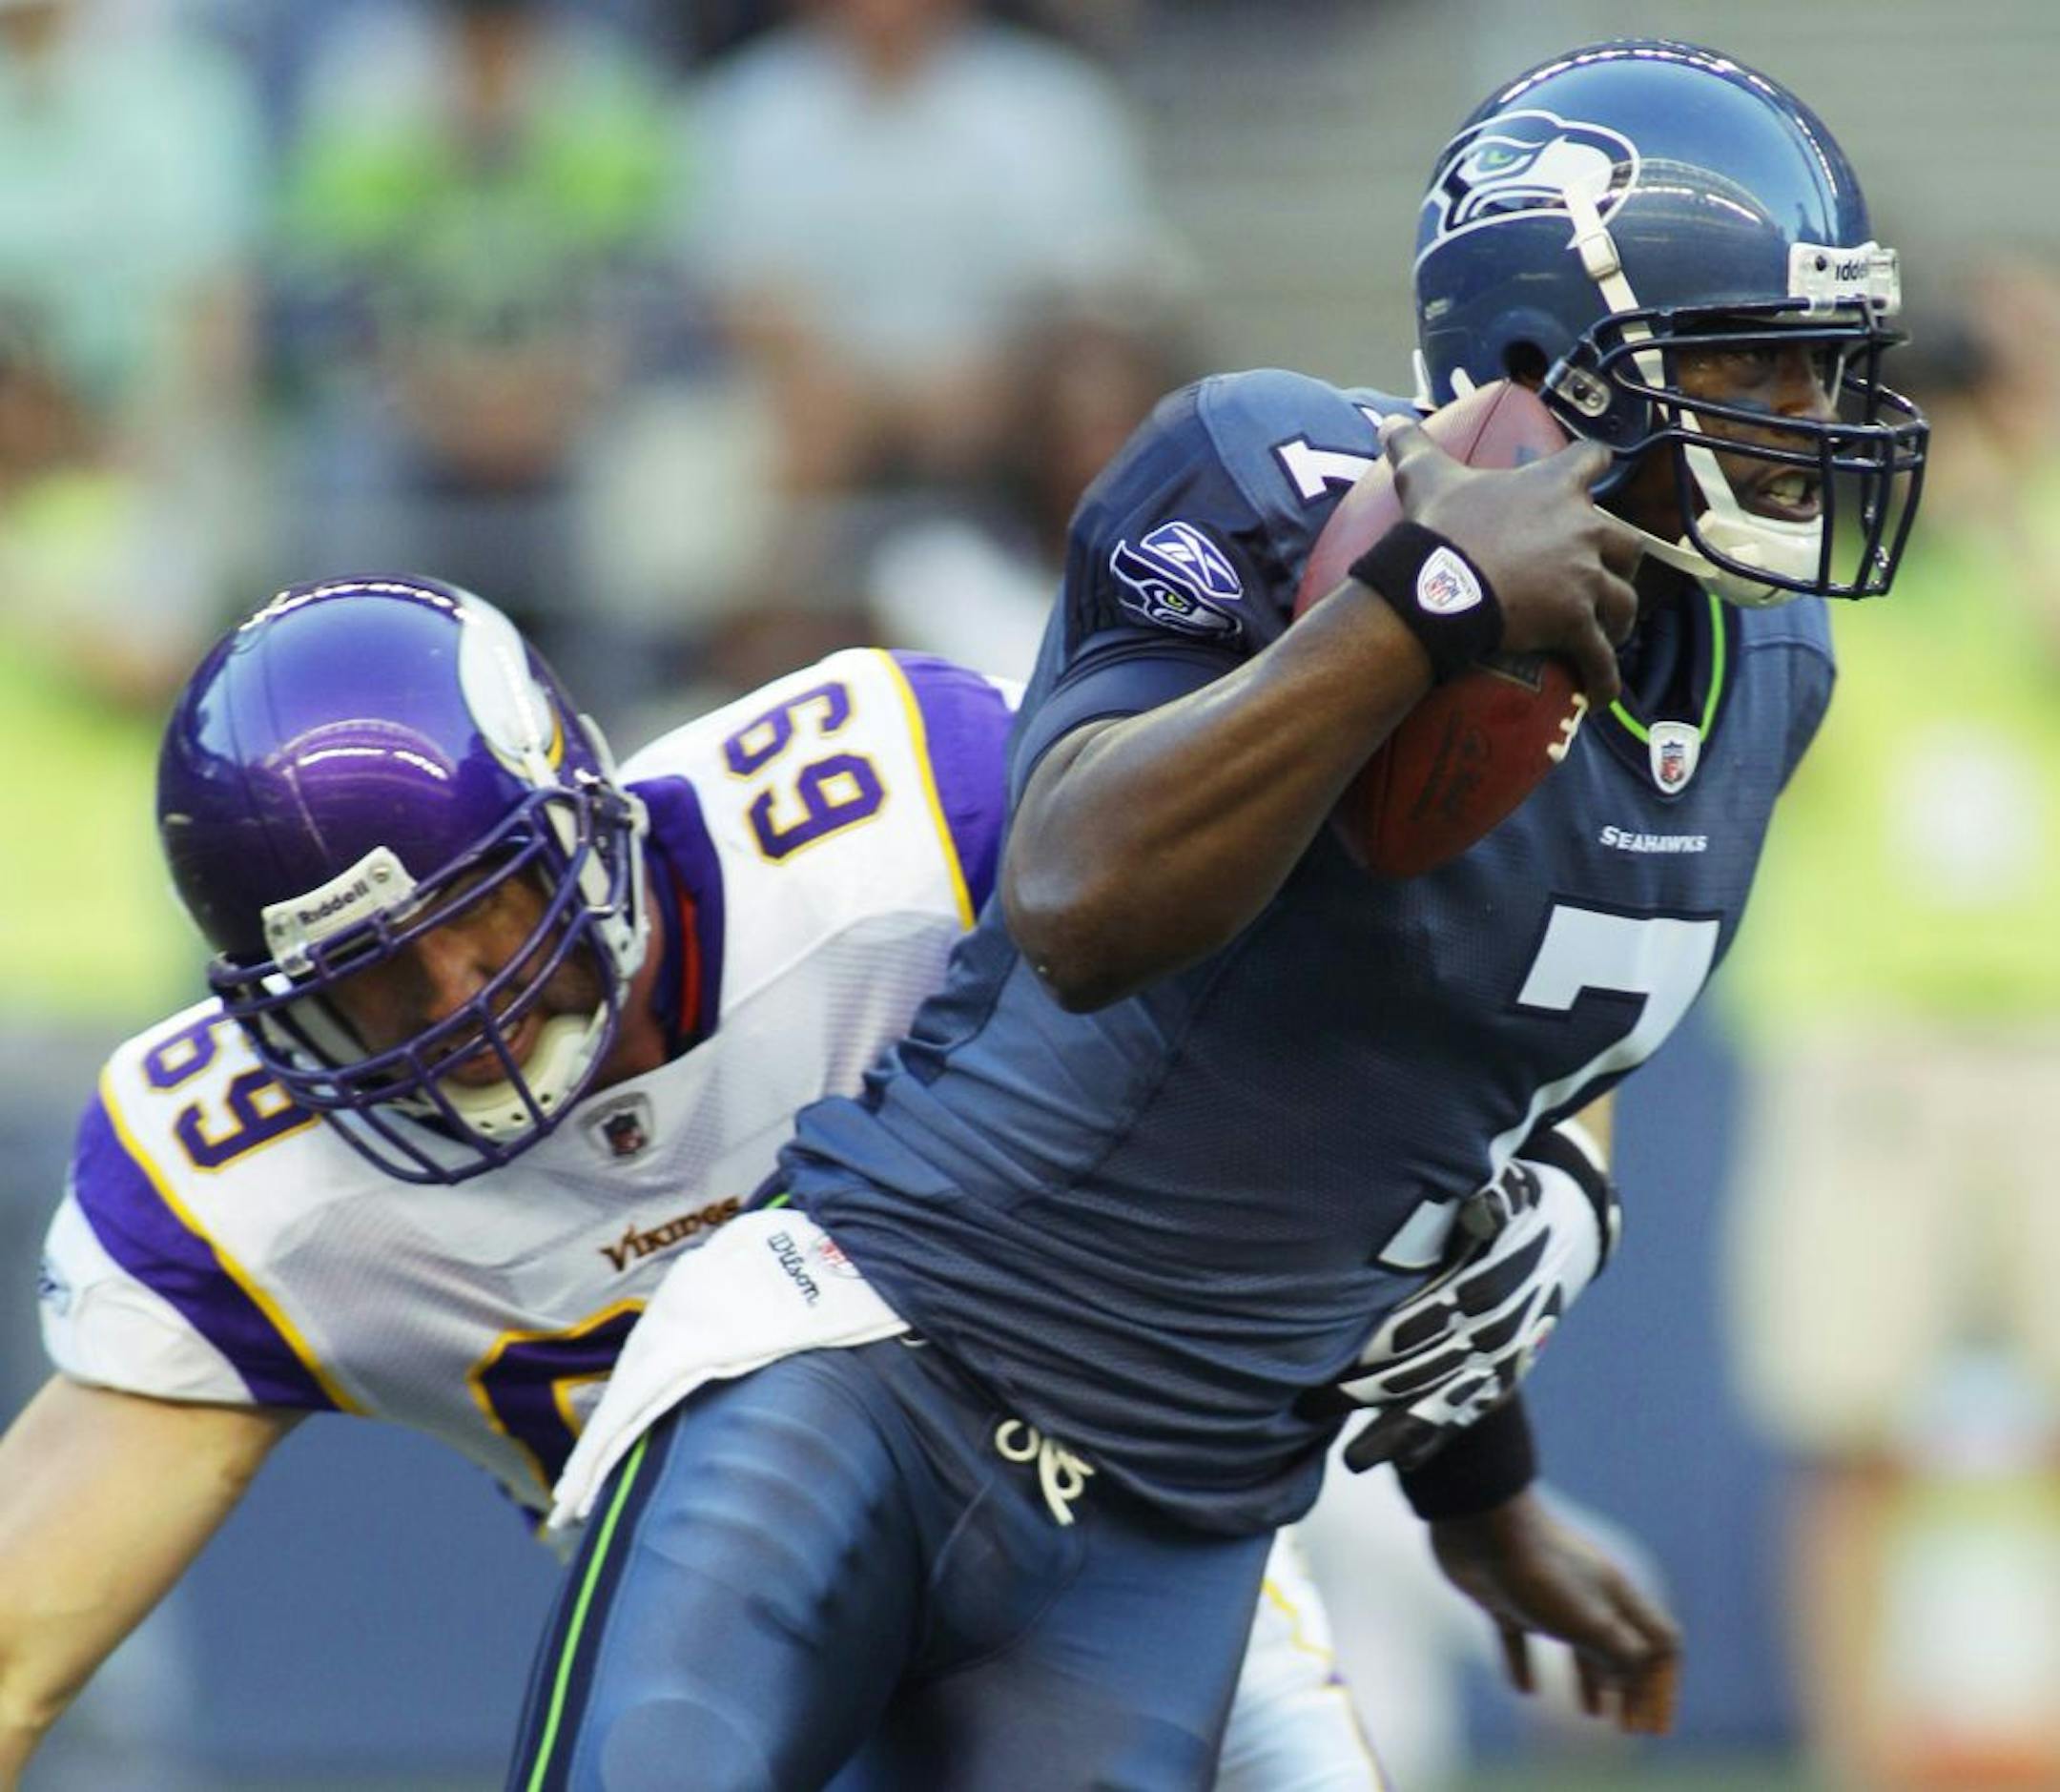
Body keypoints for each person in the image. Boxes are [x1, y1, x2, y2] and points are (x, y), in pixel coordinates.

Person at [510, 37, 1928, 1790]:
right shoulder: (1273, 479)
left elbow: (1445, 1095)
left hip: (1175, 1523)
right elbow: (1076, 904)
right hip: (878, 1369)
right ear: (1544, 360)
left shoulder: (1774, 670)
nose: (1809, 420)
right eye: (1756, 364)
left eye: (1825, 365)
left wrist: (1482, 1482)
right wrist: (1418, 606)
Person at [0, 576, 1382, 1788]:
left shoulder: (895, 819)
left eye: (473, 908)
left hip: (1091, 1510)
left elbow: (1299, 990)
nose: (453, 1007)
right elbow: (17, 1646)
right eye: (365, 982)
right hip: (743, 1655)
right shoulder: (239, 1180)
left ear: (575, 807)